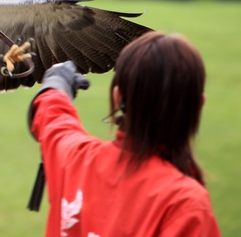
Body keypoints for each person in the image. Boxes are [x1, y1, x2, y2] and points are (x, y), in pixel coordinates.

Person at [27, 32, 221, 236]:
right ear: (199, 105)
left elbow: (53, 122)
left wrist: (56, 84)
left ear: (117, 97)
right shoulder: (184, 204)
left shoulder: (75, 158)